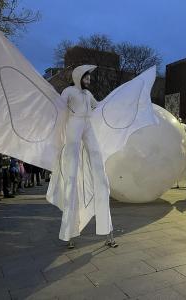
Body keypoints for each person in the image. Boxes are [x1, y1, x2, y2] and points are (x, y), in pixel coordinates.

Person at [59, 65, 117, 249]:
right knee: (73, 166)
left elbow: (99, 105)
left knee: (97, 158)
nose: (89, 80)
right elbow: (58, 107)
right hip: (74, 125)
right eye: (86, 78)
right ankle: (69, 232)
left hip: (87, 125)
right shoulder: (69, 91)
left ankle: (107, 231)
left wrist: (116, 99)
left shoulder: (87, 95)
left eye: (89, 78)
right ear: (78, 78)